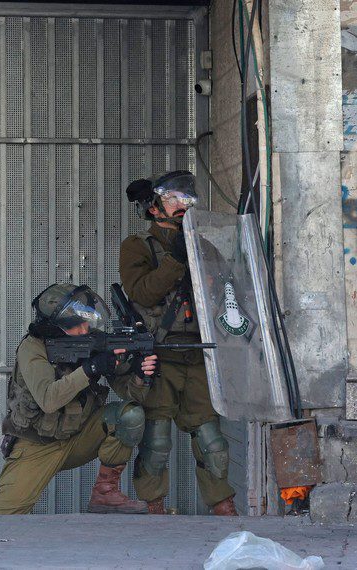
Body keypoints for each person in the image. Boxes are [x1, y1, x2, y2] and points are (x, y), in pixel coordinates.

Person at [121, 170, 237, 515]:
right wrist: (175, 259)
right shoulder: (137, 246)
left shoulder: (203, 245)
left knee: (211, 440)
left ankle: (224, 509)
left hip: (200, 354)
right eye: (173, 199)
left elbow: (227, 290)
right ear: (154, 208)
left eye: (186, 199)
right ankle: (154, 511)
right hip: (161, 354)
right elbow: (142, 291)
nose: (182, 205)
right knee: (156, 441)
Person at [0, 283, 158, 515]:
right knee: (4, 518)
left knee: (129, 415)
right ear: (56, 327)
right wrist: (91, 369)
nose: (85, 329)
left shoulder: (94, 341)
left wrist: (141, 375)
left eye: (85, 322)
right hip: (36, 445)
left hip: (78, 437)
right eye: (76, 325)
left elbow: (132, 395)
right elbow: (48, 399)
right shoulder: (33, 348)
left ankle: (105, 492)